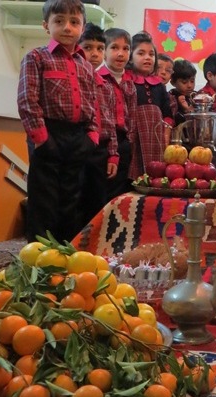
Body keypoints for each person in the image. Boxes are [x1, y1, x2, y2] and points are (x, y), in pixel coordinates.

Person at [17, 0, 98, 243]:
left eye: (74, 22)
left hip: (78, 136)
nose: (67, 27)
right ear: (46, 25)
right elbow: (27, 100)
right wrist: (41, 139)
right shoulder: (36, 58)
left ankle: (65, 252)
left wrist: (91, 137)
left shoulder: (86, 66)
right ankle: (39, 258)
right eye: (59, 21)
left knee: (71, 199)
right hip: (47, 134)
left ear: (82, 28)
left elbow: (93, 103)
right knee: (44, 199)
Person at [78, 23, 118, 228]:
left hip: (100, 150)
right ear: (77, 48)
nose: (94, 53)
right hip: (78, 145)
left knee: (97, 198)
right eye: (88, 47)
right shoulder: (74, 79)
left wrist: (113, 154)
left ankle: (92, 241)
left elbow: (110, 124)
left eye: (100, 48)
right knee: (76, 198)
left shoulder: (106, 85)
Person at [127, 31, 173, 180]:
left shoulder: (159, 85)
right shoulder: (127, 81)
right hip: (134, 135)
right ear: (130, 56)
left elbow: (167, 112)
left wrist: (166, 133)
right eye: (141, 53)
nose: (147, 57)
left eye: (151, 54)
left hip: (156, 136)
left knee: (156, 173)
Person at [98, 27, 137, 199]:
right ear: (104, 52)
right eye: (114, 48)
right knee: (104, 189)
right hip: (104, 142)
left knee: (122, 191)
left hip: (124, 142)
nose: (120, 53)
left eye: (126, 48)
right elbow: (105, 119)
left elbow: (133, 115)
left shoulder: (130, 82)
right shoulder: (98, 78)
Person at [169, 59, 197, 127]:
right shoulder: (171, 97)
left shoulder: (196, 96)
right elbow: (173, 120)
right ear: (173, 82)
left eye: (192, 81)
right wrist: (186, 111)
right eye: (184, 82)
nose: (189, 86)